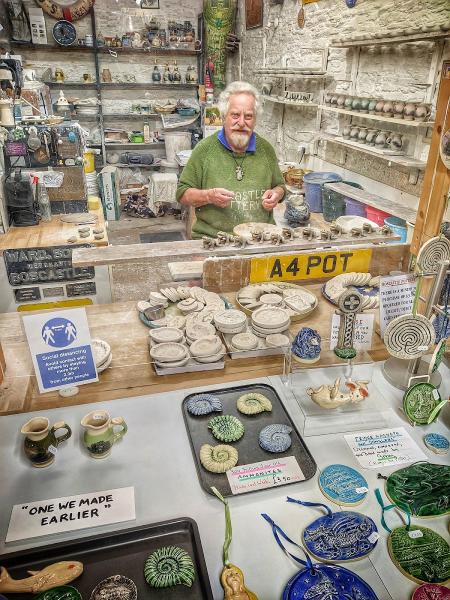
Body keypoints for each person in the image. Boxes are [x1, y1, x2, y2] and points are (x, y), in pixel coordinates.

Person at [176, 80, 285, 238]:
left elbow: (280, 186)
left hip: (260, 239)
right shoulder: (205, 150)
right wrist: (209, 196)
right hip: (214, 241)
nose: (241, 123)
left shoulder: (265, 149)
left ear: (255, 120)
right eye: (235, 115)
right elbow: (182, 194)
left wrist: (276, 194)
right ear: (223, 117)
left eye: (248, 116)